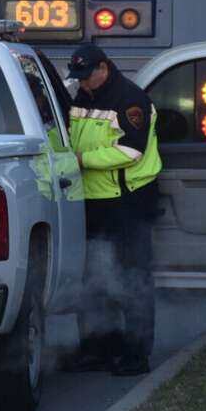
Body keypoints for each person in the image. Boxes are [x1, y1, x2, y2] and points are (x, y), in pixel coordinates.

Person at [63, 44, 162, 376]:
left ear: (104, 68)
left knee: (132, 277)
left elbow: (131, 150)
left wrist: (80, 161)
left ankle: (136, 354)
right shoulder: (82, 98)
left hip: (127, 202)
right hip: (91, 200)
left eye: (87, 76)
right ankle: (97, 347)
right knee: (93, 278)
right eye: (78, 78)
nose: (83, 84)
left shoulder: (130, 99)